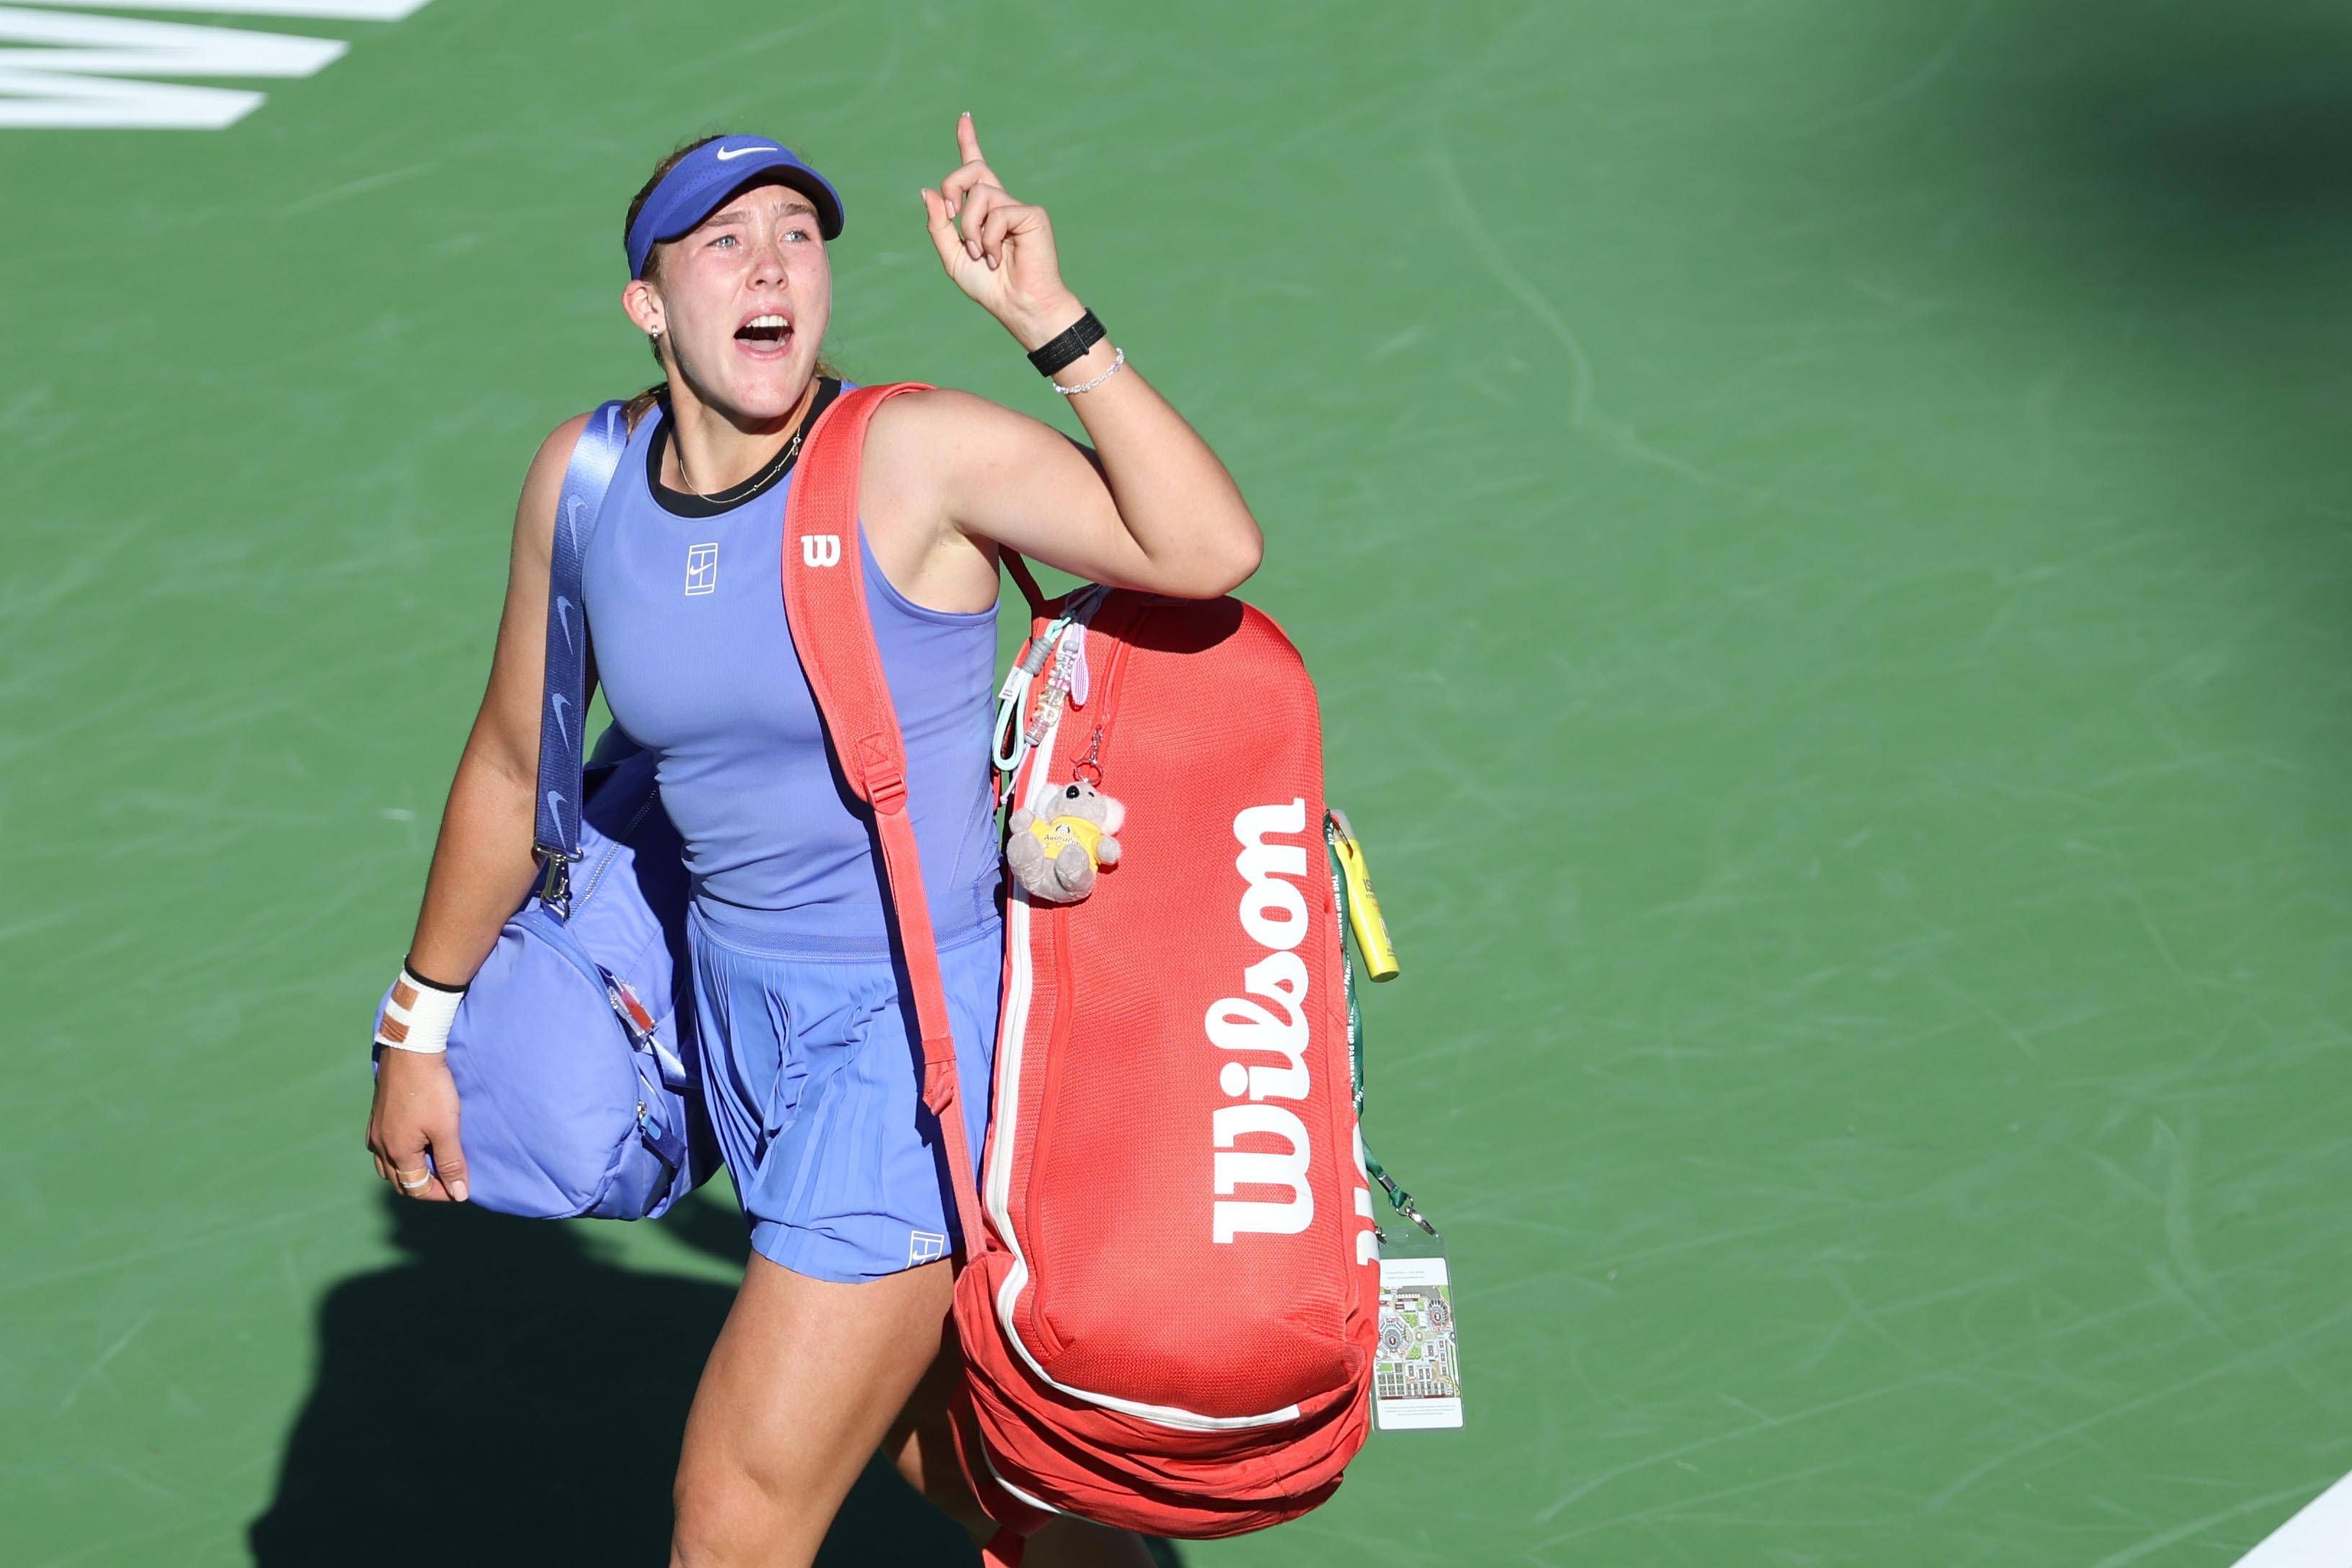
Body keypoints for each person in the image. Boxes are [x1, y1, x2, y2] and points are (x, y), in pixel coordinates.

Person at [362, 113, 1262, 1567]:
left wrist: (1052, 322)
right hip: (740, 1020)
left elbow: (1206, 549)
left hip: (914, 1046)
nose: (772, 263)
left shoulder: (912, 455)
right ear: (649, 304)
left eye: (797, 236)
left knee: (736, 1514)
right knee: (975, 1463)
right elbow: (518, 755)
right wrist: (420, 1020)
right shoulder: (584, 485)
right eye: (724, 242)